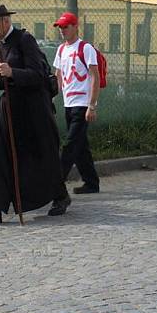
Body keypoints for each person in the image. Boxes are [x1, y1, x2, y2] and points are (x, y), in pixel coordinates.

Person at [0, 5, 69, 225]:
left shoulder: (25, 40)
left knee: (42, 153)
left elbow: (39, 75)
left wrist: (13, 72)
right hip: (9, 106)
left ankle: (60, 196)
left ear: (5, 21)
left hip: (33, 108)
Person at [52, 12, 101, 195]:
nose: (62, 31)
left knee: (70, 145)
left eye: (66, 27)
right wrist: (52, 98)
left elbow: (94, 76)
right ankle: (91, 183)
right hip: (68, 104)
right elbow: (58, 77)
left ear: (75, 27)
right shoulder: (61, 50)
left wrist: (92, 105)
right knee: (80, 146)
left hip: (82, 104)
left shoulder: (85, 48)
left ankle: (55, 184)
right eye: (60, 27)